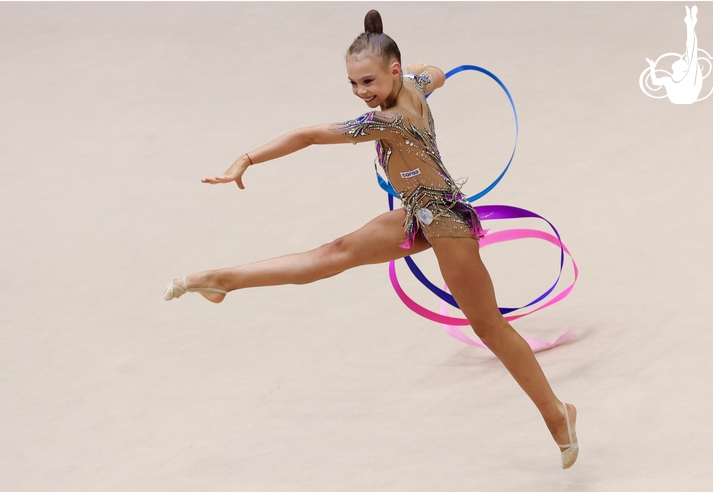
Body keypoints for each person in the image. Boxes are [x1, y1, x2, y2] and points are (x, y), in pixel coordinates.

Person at [164, 10, 579, 469]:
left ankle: (557, 413)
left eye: (369, 82)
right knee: (333, 254)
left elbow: (307, 135)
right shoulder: (414, 85)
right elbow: (437, 72)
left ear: (392, 72)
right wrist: (408, 69)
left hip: (446, 226)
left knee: (488, 327)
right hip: (417, 215)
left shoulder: (389, 123)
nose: (363, 93)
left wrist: (245, 158)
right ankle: (222, 280)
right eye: (354, 84)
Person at [646, 5, 702, 104]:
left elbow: (691, 49)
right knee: (691, 52)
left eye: (680, 61)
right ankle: (690, 23)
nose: (678, 59)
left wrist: (652, 68)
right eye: (681, 60)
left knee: (691, 51)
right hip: (685, 97)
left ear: (682, 69)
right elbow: (655, 82)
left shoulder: (685, 78)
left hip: (686, 97)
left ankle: (690, 23)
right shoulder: (669, 80)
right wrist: (652, 67)